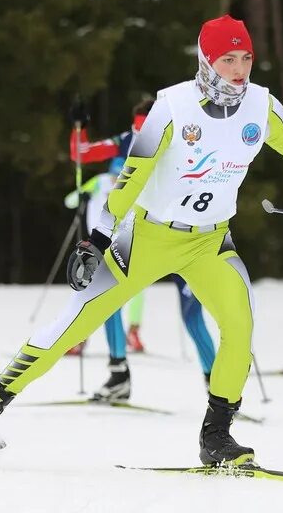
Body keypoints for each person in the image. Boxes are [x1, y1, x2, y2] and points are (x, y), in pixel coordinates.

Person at [0, 14, 283, 467]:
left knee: (240, 325)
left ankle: (217, 436)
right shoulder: (172, 106)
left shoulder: (262, 107)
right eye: (228, 59)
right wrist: (97, 238)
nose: (240, 69)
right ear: (206, 60)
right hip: (144, 237)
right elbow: (131, 175)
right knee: (73, 325)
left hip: (209, 242)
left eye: (246, 58)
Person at [65, 100, 218, 400]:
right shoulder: (126, 140)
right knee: (106, 296)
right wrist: (78, 128)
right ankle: (118, 374)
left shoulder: (185, 140)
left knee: (192, 315)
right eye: (136, 129)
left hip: (184, 238)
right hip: (139, 239)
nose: (139, 136)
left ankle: (218, 387)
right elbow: (80, 154)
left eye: (144, 129)